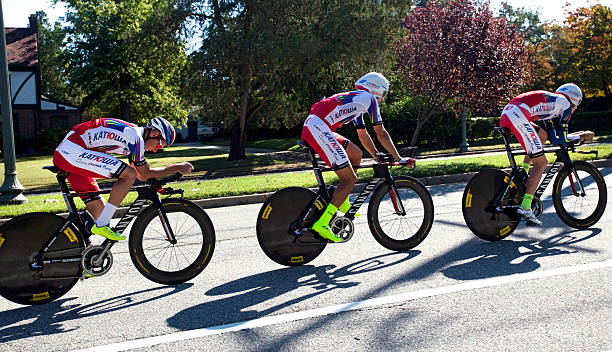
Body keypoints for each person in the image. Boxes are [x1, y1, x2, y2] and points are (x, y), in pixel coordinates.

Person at [301, 72, 415, 242]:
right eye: (383, 94)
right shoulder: (368, 99)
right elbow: (381, 133)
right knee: (349, 180)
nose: (382, 99)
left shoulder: (357, 100)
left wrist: (376, 155)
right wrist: (398, 158)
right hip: (318, 129)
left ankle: (343, 199)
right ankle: (323, 223)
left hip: (316, 126)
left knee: (356, 153)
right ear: (376, 89)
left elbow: (363, 135)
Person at [53, 116, 194, 240]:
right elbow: (143, 173)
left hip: (73, 151)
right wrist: (176, 167)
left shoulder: (134, 137)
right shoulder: (135, 137)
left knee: (101, 214)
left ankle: (83, 250)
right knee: (128, 175)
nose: (157, 149)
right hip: (72, 151)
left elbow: (141, 174)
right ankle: (100, 226)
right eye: (159, 144)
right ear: (154, 133)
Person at [499, 83, 593, 226]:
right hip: (517, 115)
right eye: (576, 106)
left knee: (541, 135)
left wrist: (568, 138)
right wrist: (583, 135)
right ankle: (525, 206)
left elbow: (553, 138)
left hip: (510, 113)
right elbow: (564, 138)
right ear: (574, 100)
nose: (574, 110)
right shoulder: (566, 105)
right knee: (541, 163)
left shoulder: (552, 105)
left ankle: (523, 173)